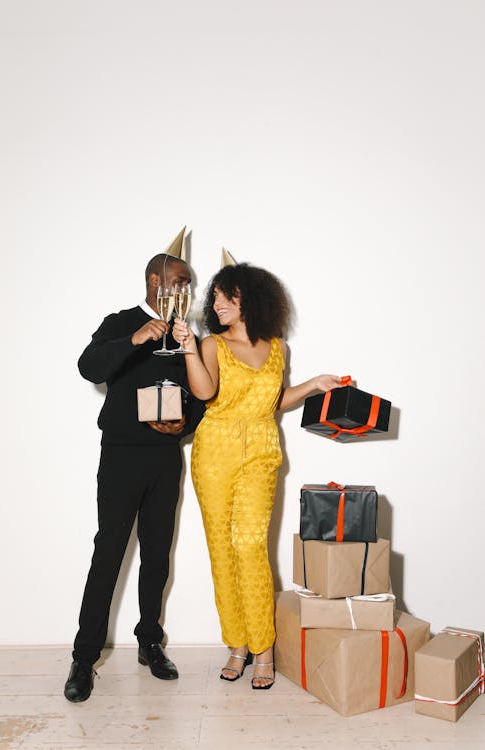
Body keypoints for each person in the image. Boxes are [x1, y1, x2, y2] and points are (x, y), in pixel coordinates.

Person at [173, 253, 344, 689]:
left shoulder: (277, 347)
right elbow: (206, 393)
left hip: (262, 451)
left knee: (249, 545)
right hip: (214, 452)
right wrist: (191, 349)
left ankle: (262, 647)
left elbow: (275, 400)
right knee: (222, 549)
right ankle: (236, 643)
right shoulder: (212, 344)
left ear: (248, 297)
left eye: (223, 296)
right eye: (213, 298)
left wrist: (312, 385)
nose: (216, 304)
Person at [64, 228, 204, 702]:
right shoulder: (119, 321)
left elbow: (202, 397)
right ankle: (84, 658)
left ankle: (150, 643)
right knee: (108, 553)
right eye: (179, 282)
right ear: (154, 281)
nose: (184, 291)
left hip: (166, 458)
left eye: (189, 285)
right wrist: (137, 336)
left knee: (157, 555)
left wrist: (183, 425)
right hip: (121, 456)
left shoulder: (188, 333)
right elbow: (90, 367)